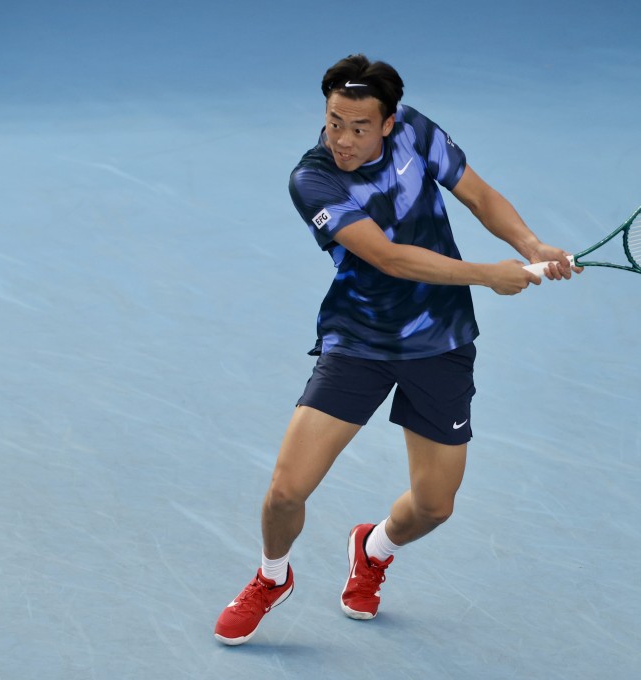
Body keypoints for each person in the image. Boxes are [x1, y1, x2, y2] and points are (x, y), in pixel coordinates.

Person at [214, 54, 579, 645]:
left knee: (434, 507)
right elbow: (386, 257)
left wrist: (530, 242)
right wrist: (489, 274)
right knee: (285, 490)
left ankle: (373, 547)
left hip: (442, 342)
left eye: (359, 126)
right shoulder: (313, 179)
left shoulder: (416, 131)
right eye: (334, 121)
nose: (343, 139)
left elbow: (478, 195)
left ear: (388, 123)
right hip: (360, 340)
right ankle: (271, 575)